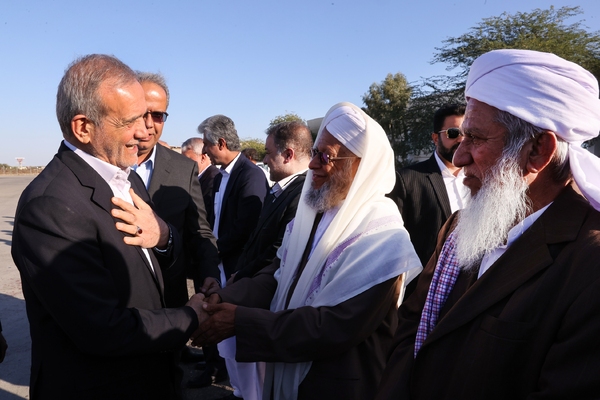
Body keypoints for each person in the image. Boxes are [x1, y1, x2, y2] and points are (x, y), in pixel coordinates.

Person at [374, 49, 600, 400]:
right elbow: (410, 330)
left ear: (538, 150)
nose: (459, 156)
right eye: (461, 136)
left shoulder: (588, 263)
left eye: (476, 138)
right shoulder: (459, 228)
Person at [193, 102, 422, 400]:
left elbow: (335, 327)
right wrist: (225, 297)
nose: (312, 164)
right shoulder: (316, 214)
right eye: (315, 152)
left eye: (326, 156)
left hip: (338, 385)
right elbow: (278, 276)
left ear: (361, 164)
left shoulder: (383, 237)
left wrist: (240, 321)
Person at [11, 54, 206, 399]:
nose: (145, 131)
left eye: (147, 117)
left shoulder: (126, 179)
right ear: (83, 128)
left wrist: (164, 237)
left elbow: (160, 269)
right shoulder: (50, 206)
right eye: (131, 121)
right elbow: (102, 328)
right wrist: (190, 317)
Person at [188, 115, 268, 393]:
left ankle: (248, 394)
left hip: (238, 269)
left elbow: (246, 228)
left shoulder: (250, 175)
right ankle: (238, 391)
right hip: (223, 265)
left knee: (239, 339)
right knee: (227, 342)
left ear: (221, 143)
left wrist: (214, 250)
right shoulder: (224, 175)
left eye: (207, 144)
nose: (204, 151)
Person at [135, 72, 220, 309]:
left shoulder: (184, 168)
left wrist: (210, 274)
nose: (149, 123)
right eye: (141, 113)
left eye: (158, 115)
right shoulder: (105, 163)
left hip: (169, 300)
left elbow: (199, 231)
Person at [233, 120, 312, 282]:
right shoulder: (279, 190)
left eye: (268, 153)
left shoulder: (304, 194)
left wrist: (241, 276)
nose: (265, 160)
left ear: (288, 155)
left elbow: (278, 251)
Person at [389, 104, 467, 267]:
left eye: (467, 133)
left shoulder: (483, 178)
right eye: (453, 133)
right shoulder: (407, 180)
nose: (461, 139)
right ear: (436, 138)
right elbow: (393, 243)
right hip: (426, 279)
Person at [181, 137, 220, 226]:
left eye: (188, 160)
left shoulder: (214, 180)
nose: (184, 164)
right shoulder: (195, 177)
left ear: (203, 157)